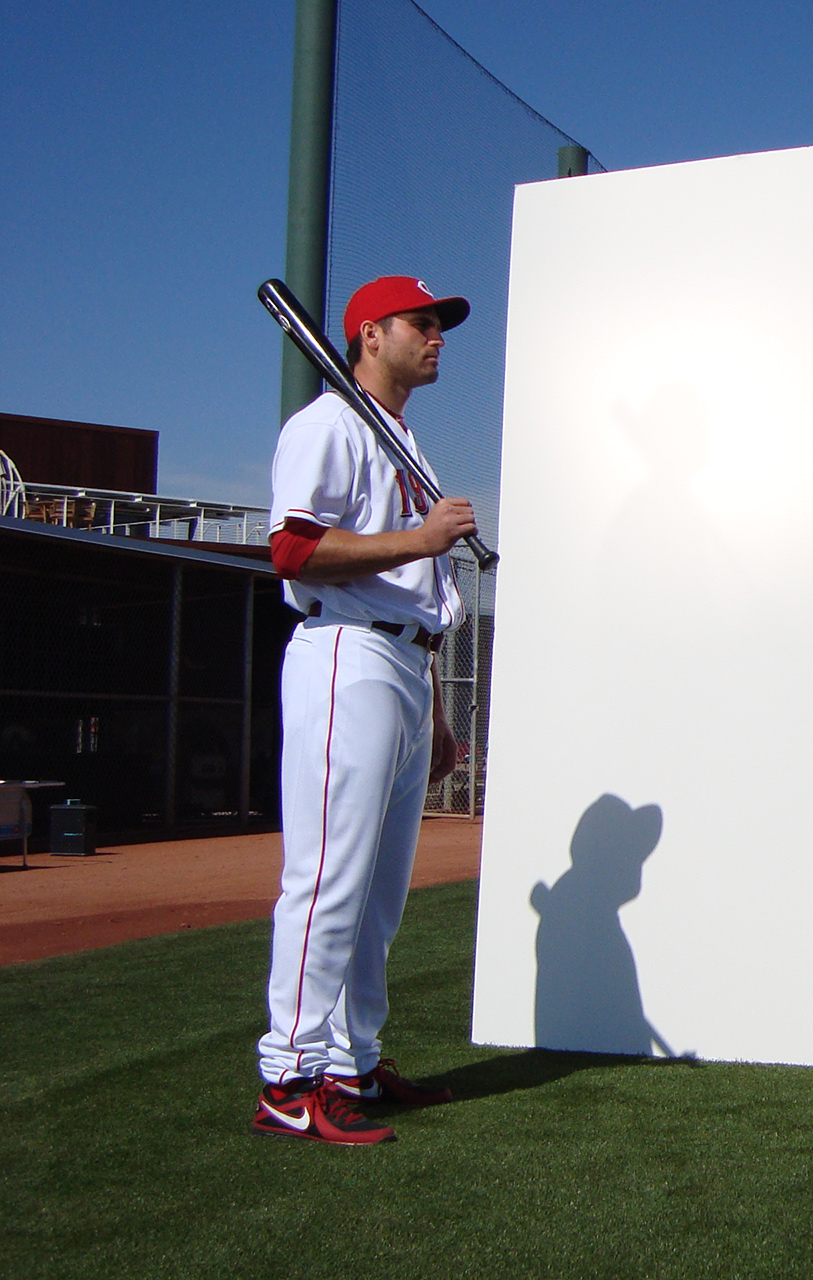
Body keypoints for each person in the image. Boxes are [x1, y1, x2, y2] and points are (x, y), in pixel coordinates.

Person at [252, 276, 476, 1144]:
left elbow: (421, 590)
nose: (437, 337)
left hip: (403, 664)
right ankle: (290, 1073)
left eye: (439, 324)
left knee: (379, 891)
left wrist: (438, 711)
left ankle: (351, 1060)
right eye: (423, 323)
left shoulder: (400, 435)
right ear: (370, 334)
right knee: (328, 879)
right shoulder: (327, 425)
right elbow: (292, 549)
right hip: (344, 650)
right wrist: (419, 540)